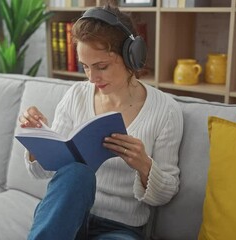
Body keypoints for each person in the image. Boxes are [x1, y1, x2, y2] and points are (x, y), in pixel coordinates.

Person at [18, 2, 183, 239]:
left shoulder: (166, 110)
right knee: (78, 173)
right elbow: (43, 172)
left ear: (132, 56)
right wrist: (37, 139)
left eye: (101, 67)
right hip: (67, 216)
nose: (92, 77)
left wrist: (144, 165)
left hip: (119, 228)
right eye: (86, 67)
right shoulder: (76, 95)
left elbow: (165, 195)